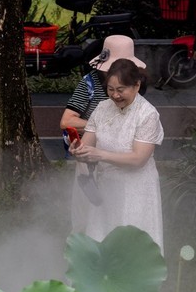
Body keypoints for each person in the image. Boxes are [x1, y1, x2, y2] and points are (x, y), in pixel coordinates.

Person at [67, 58, 165, 253]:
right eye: (111, 89)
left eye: (121, 89)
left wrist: (99, 154)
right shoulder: (102, 108)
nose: (115, 95)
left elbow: (138, 159)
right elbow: (88, 144)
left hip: (136, 189)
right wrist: (79, 150)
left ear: (136, 85)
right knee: (101, 239)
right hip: (106, 186)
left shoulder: (147, 115)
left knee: (132, 245)